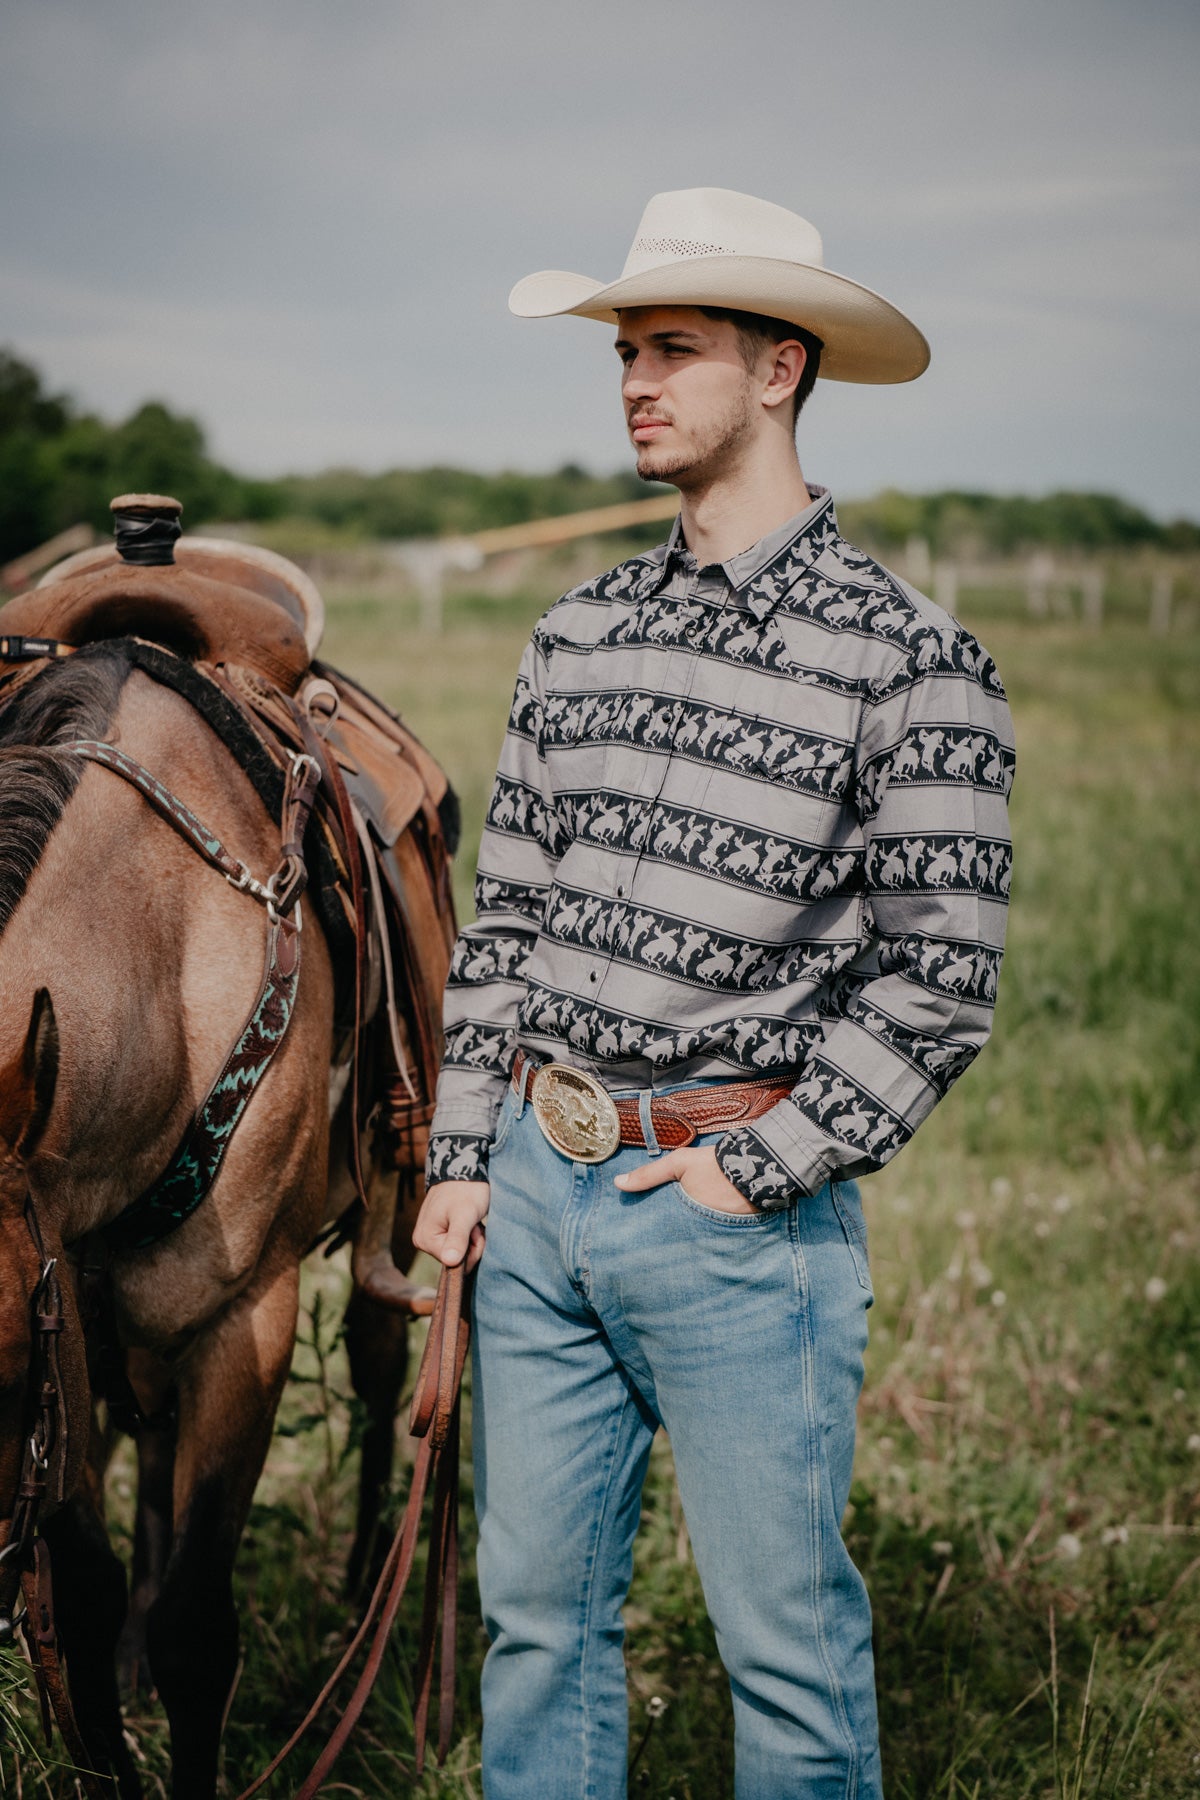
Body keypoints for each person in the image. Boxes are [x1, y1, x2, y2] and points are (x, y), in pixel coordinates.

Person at [415, 187, 1014, 1799]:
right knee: (536, 1628)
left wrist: (759, 1171)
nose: (634, 381)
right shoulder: (577, 635)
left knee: (787, 1649)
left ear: (782, 368)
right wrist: (465, 1159)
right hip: (538, 1196)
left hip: (731, 1208)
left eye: (673, 348)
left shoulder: (910, 661)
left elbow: (941, 974)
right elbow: (508, 923)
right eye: (625, 352)